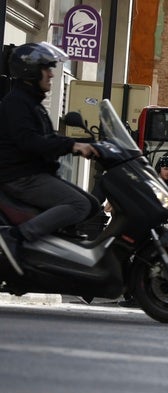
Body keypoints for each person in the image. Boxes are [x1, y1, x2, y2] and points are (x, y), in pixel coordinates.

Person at [0, 42, 99, 275]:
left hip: (33, 173)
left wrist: (93, 145)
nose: (52, 73)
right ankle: (18, 237)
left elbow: (48, 138)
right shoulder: (17, 104)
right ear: (31, 71)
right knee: (79, 204)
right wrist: (72, 144)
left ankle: (63, 260)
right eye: (46, 68)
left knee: (93, 205)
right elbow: (31, 142)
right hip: (21, 176)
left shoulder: (32, 103)